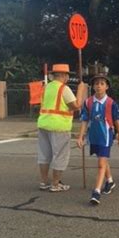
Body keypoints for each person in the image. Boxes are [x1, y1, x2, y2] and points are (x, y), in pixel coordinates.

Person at [37, 64, 86, 192]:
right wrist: (81, 90)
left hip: (43, 123)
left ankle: (44, 182)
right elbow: (76, 105)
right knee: (60, 156)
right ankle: (55, 184)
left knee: (44, 155)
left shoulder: (46, 87)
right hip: (59, 126)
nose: (68, 78)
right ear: (64, 75)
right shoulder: (64, 89)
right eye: (67, 75)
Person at [76, 74, 119, 205]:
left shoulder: (111, 103)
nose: (99, 86)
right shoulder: (88, 102)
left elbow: (116, 120)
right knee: (102, 159)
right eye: (96, 83)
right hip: (94, 135)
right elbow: (85, 120)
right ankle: (110, 181)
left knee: (101, 164)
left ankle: (96, 192)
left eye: (102, 84)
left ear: (107, 87)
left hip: (106, 136)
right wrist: (81, 136)